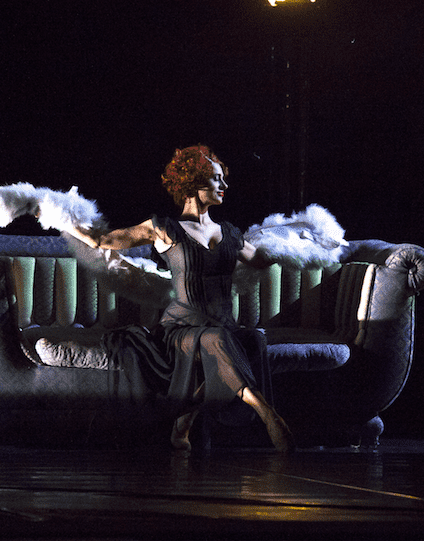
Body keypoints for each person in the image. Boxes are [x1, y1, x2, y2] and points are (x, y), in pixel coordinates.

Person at [67, 145, 295, 453]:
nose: (225, 186)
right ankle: (268, 414)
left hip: (224, 326)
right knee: (215, 340)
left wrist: (303, 239)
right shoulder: (165, 229)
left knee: (253, 338)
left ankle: (184, 421)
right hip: (181, 331)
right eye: (216, 179)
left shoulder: (230, 233)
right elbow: (103, 241)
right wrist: (61, 215)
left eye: (223, 179)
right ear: (193, 183)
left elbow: (263, 259)